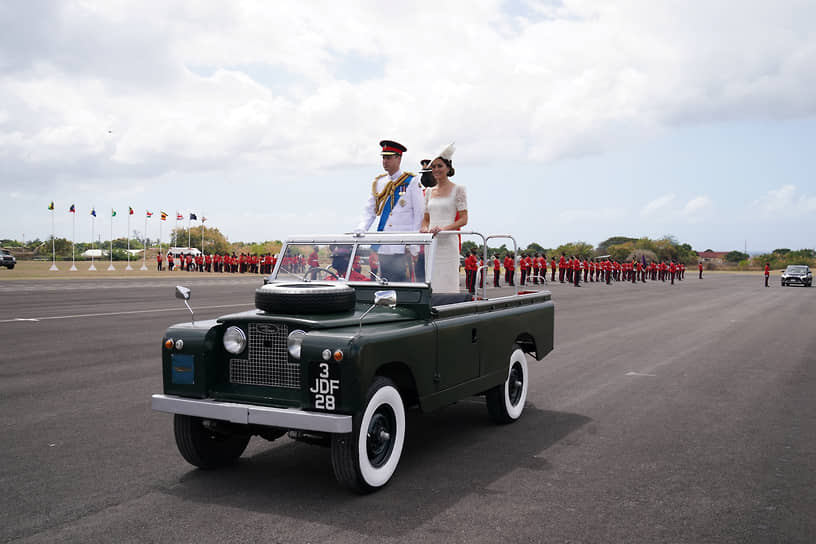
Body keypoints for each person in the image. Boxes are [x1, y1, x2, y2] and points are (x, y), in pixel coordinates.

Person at [356, 140, 424, 282]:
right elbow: (370, 211)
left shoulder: (411, 181)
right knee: (387, 284)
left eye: (388, 158)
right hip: (385, 245)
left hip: (403, 246)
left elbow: (419, 214)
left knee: (405, 286)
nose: (384, 161)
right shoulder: (379, 182)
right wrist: (361, 230)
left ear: (398, 158)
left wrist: (414, 245)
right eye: (383, 158)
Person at [419, 143, 468, 292]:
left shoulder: (458, 189)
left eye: (439, 166)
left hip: (448, 242)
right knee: (432, 281)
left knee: (448, 281)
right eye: (433, 167)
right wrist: (424, 227)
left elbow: (463, 219)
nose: (435, 170)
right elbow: (426, 218)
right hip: (432, 243)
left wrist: (443, 229)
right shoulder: (428, 192)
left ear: (448, 168)